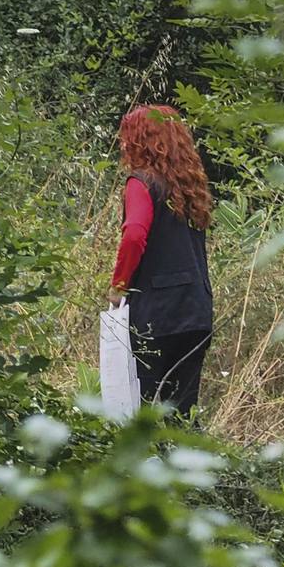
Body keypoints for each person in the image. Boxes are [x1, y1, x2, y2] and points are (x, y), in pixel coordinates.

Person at [109, 104, 214, 418]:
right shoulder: (191, 186)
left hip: (157, 315)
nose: (124, 144)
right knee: (183, 412)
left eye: (128, 137)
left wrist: (119, 285)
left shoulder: (140, 183)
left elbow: (134, 235)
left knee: (149, 412)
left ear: (141, 140)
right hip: (197, 309)